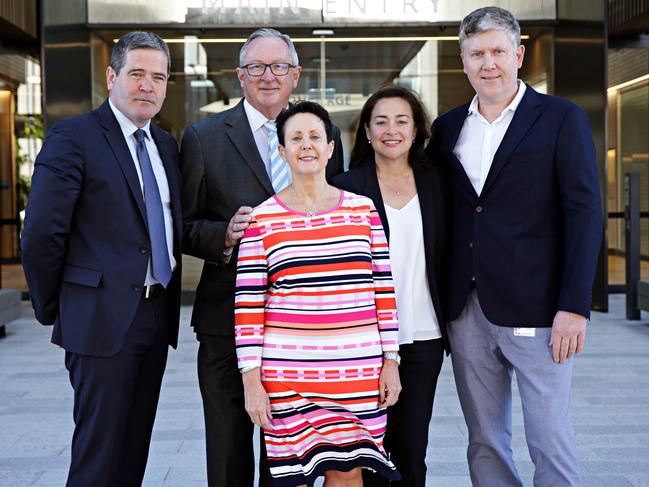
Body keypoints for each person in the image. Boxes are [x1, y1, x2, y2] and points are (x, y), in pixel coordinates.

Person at [426, 6, 603, 486]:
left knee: (550, 437)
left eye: (498, 51)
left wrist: (575, 306)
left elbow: (584, 216)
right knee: (484, 438)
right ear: (462, 61)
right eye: (476, 53)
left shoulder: (560, 118)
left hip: (541, 311)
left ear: (519, 55)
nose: (489, 64)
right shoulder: (445, 130)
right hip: (466, 310)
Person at [180, 28, 344, 486]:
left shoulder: (322, 134)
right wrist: (224, 235)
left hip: (305, 328)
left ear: (296, 75)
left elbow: (339, 212)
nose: (267, 76)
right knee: (229, 447)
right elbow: (184, 227)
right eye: (255, 67)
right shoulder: (203, 137)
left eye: (278, 67)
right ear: (240, 75)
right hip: (226, 319)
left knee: (291, 451)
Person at [21, 32, 181, 486]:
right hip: (99, 319)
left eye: (158, 77)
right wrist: (57, 307)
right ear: (111, 77)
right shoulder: (74, 136)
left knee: (133, 449)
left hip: (154, 312)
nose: (147, 86)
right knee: (99, 456)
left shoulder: (165, 145)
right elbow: (41, 234)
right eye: (137, 74)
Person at [234, 100, 401, 487]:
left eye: (314, 137)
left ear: (330, 147)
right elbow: (247, 308)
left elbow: (383, 290)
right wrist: (251, 382)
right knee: (293, 479)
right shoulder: (262, 219)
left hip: (357, 374)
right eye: (295, 138)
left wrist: (390, 360)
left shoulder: (364, 211)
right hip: (288, 377)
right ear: (282, 152)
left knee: (348, 473)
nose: (305, 145)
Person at [332, 84, 448, 486]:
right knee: (365, 454)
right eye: (381, 121)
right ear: (366, 130)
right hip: (364, 342)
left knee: (412, 451)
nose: (391, 129)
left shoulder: (437, 183)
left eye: (402, 121)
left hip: (424, 336)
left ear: (417, 130)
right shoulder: (346, 188)